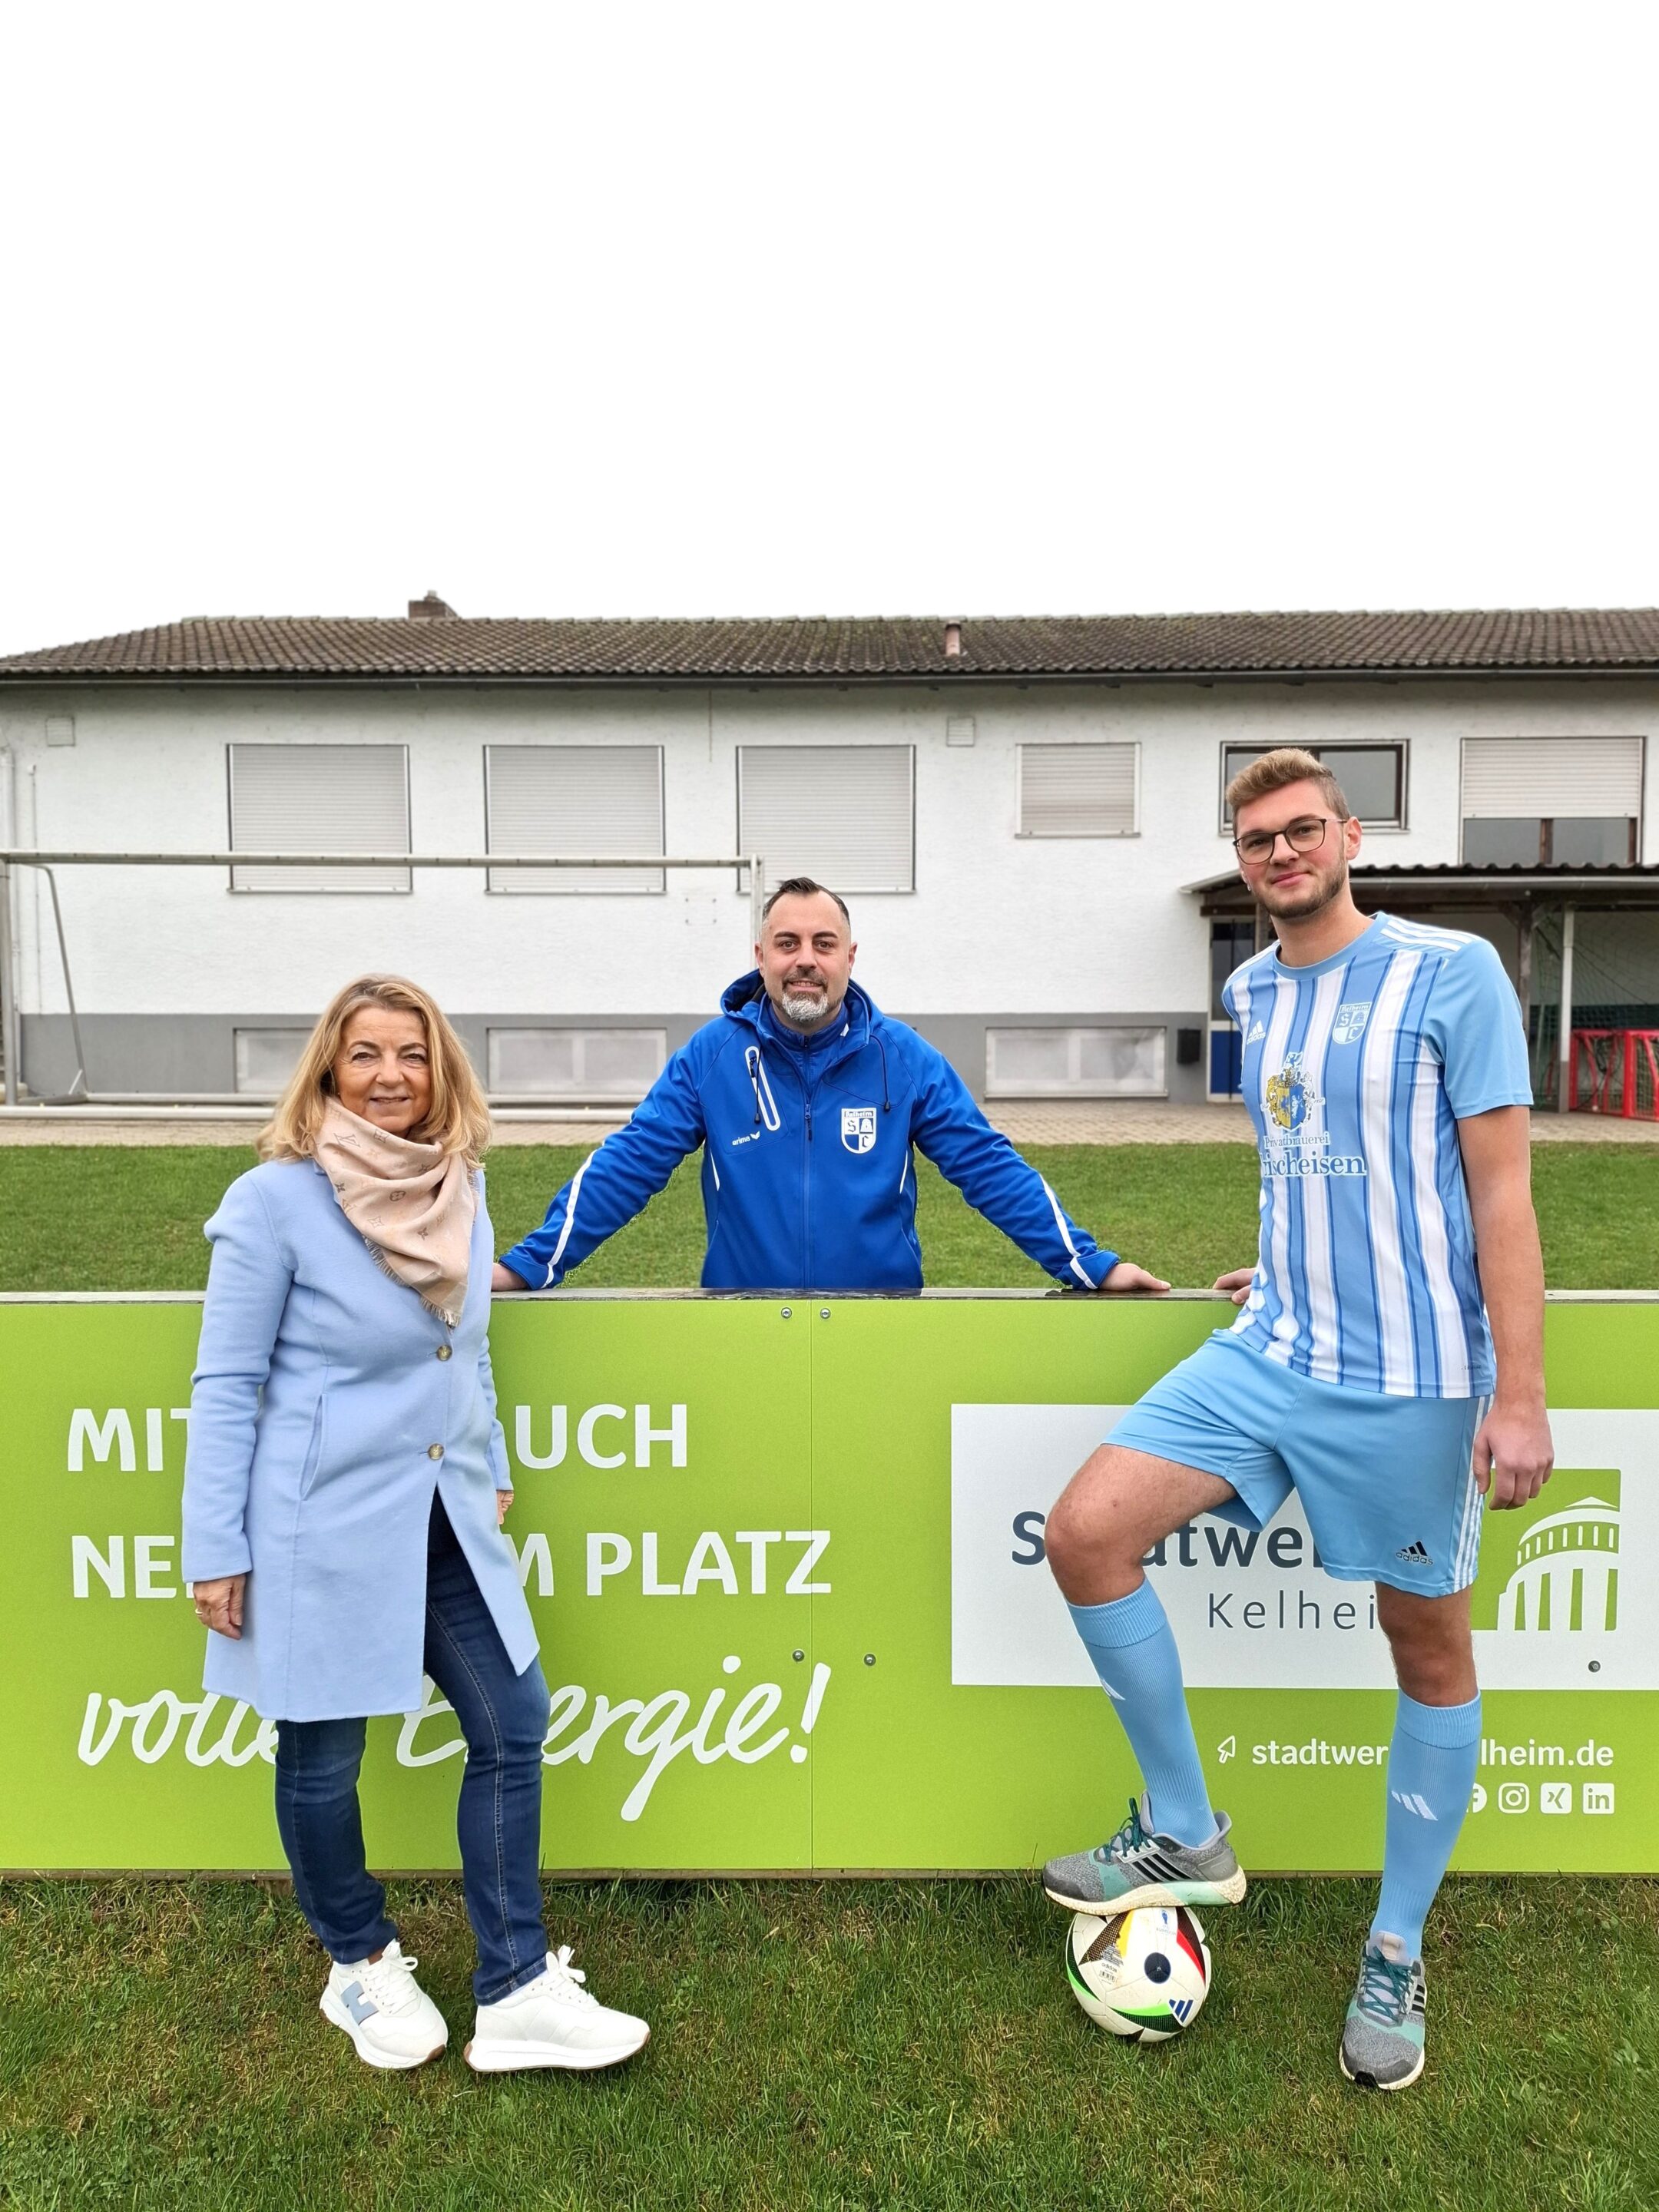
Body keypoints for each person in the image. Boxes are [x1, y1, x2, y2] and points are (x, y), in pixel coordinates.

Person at [1039, 747, 1552, 2092]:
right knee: (1089, 1533)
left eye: (1302, 829)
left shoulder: (1454, 976)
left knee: (1423, 1644)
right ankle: (1189, 1830)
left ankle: (1394, 1943)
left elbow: (1500, 1197)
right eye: (1258, 838)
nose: (1282, 853)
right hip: (1273, 1349)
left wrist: (1521, 1397)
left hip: (1413, 1381)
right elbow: (1304, 1153)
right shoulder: (1253, 989)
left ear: (1352, 837)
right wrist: (1289, 1260)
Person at [182, 973, 648, 2075]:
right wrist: (215, 1546)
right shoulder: (274, 1201)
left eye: (413, 1055)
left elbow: (466, 1349)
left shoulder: (462, 1187)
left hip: (440, 1512)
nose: (390, 1076)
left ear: (441, 1070)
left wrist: (485, 1467)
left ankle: (518, 1987)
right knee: (322, 1749)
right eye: (365, 1056)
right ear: (328, 1072)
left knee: (512, 1717)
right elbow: (225, 1380)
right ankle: (358, 1959)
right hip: (318, 1522)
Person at [492, 876, 1165, 1296]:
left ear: (850, 956)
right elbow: (629, 1163)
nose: (805, 960)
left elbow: (988, 1167)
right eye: (787, 944)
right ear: (761, 958)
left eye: (823, 942)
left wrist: (1091, 1266)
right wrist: (527, 1266)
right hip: (742, 1324)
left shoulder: (901, 1058)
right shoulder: (713, 1055)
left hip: (880, 1327)